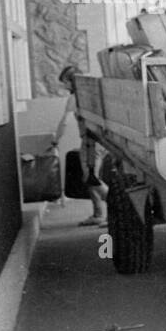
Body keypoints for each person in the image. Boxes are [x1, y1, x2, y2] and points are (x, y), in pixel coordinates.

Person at [54, 65, 107, 227]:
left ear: (73, 81)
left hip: (91, 141)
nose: (65, 86)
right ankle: (98, 214)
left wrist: (55, 140)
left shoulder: (75, 98)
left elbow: (65, 122)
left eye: (66, 82)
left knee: (93, 178)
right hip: (97, 140)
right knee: (90, 178)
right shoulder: (90, 94)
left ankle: (119, 209)